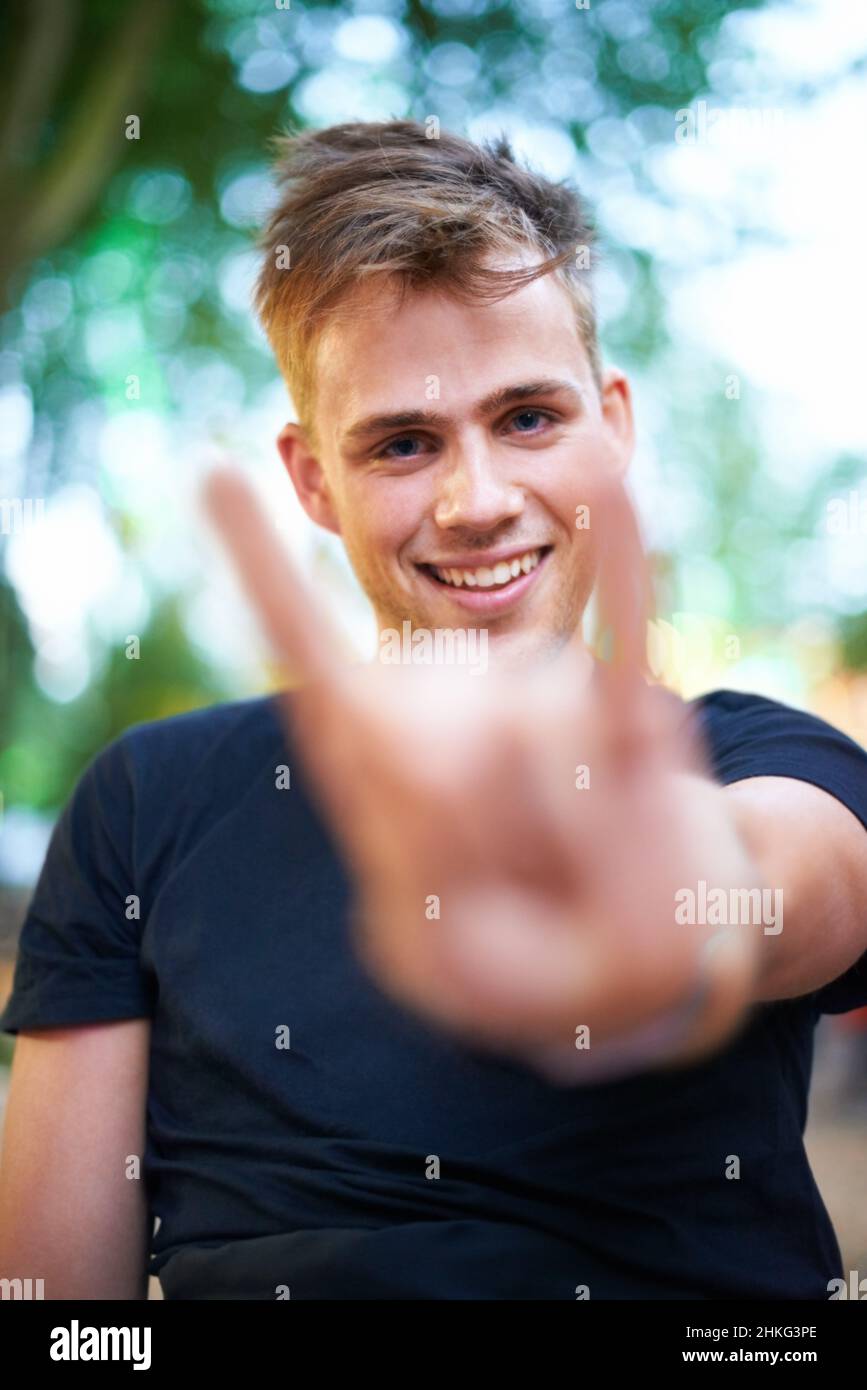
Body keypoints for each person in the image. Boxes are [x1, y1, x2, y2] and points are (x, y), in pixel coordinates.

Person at [1, 121, 865, 1301]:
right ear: (313, 479)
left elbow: (794, 884)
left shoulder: (757, 754)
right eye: (405, 443)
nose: (477, 500)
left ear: (612, 423)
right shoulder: (146, 801)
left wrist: (649, 894)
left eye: (528, 419)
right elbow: (61, 1317)